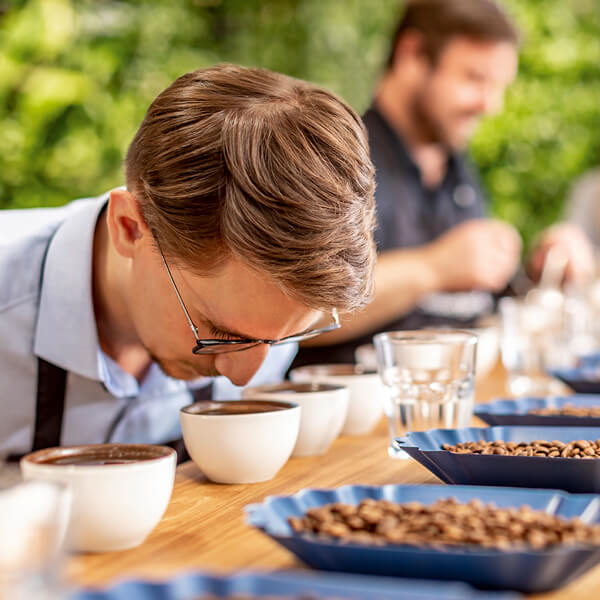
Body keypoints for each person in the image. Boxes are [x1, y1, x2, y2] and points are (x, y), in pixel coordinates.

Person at [0, 64, 376, 459]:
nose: (245, 375)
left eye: (283, 339)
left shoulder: (261, 307)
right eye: (220, 334)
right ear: (128, 227)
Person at [292, 0, 594, 367]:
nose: (490, 105)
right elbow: (297, 310)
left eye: (498, 86)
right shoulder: (333, 159)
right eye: (474, 78)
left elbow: (478, 299)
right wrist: (433, 269)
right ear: (412, 54)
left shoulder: (457, 170)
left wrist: (543, 271)